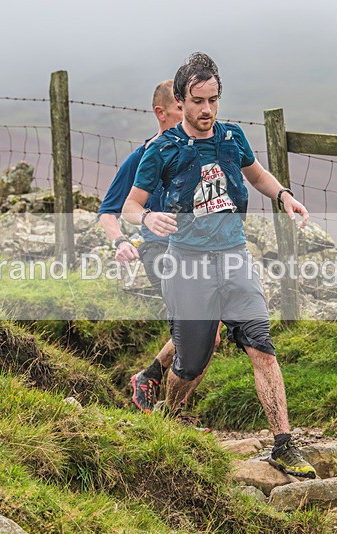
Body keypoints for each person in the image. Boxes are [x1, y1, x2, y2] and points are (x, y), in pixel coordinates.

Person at [122, 52, 316, 478]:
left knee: (261, 346)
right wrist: (148, 217)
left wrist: (283, 196)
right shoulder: (162, 150)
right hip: (188, 265)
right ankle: (169, 418)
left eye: (213, 100)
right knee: (190, 362)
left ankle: (283, 443)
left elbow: (257, 175)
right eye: (197, 101)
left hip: (234, 257)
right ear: (180, 99)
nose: (207, 110)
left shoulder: (232, 137)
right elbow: (131, 205)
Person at [98, 80, 208, 414]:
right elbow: (108, 212)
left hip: (197, 251)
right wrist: (119, 241)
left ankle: (151, 381)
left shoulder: (199, 151)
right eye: (181, 108)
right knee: (199, 330)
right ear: (162, 113)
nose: (191, 114)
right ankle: (172, 414)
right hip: (159, 250)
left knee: (209, 335)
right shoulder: (142, 157)